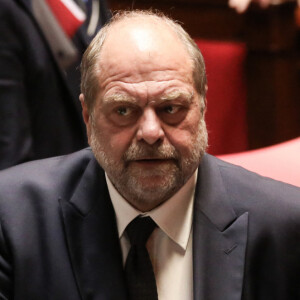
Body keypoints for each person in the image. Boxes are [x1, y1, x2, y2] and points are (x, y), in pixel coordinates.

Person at [0, 10, 300, 300]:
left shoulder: (285, 228)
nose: (150, 132)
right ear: (88, 117)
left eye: (170, 108)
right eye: (123, 110)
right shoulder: (14, 219)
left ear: (203, 106)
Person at [0, 0, 110, 170]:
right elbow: (10, 146)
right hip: (42, 180)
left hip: (93, 169)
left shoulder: (92, 4)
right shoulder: (7, 10)